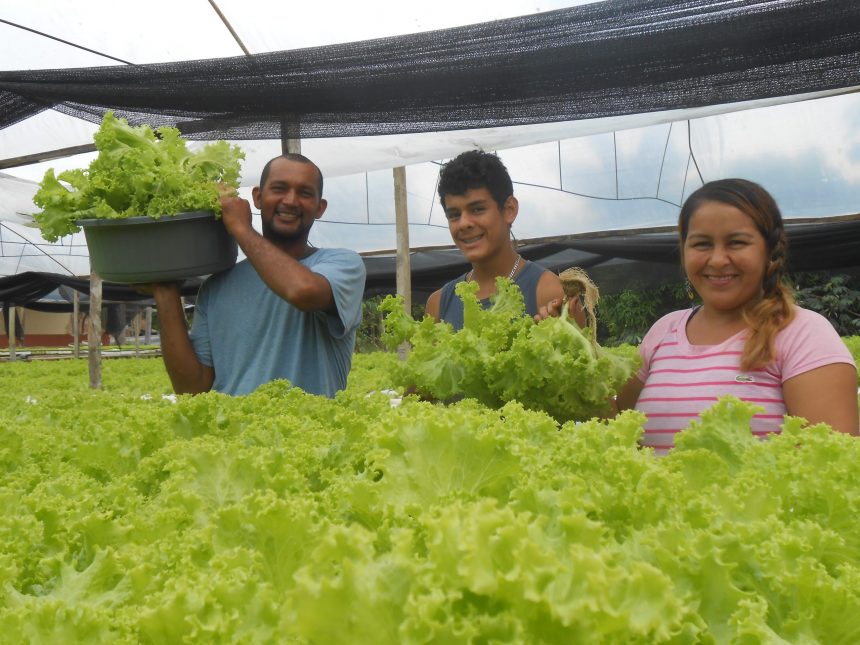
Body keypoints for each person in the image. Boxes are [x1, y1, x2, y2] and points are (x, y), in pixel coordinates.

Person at [614, 178, 858, 453]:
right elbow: (613, 425)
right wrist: (573, 336)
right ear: (683, 251)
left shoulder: (803, 333)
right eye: (702, 244)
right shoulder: (663, 331)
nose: (717, 260)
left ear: (770, 250)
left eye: (737, 242)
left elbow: (830, 463)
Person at [150, 153, 366, 397]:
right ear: (257, 198)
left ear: (320, 208)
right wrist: (165, 292)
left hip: (309, 433)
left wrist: (241, 228)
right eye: (279, 188)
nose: (291, 201)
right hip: (232, 434)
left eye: (305, 193)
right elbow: (192, 388)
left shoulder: (342, 265)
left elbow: (302, 292)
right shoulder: (216, 287)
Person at [425, 150, 585, 329]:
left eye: (477, 209)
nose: (464, 223)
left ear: (509, 209)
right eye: (454, 215)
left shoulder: (549, 292)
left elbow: (583, 354)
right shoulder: (438, 304)